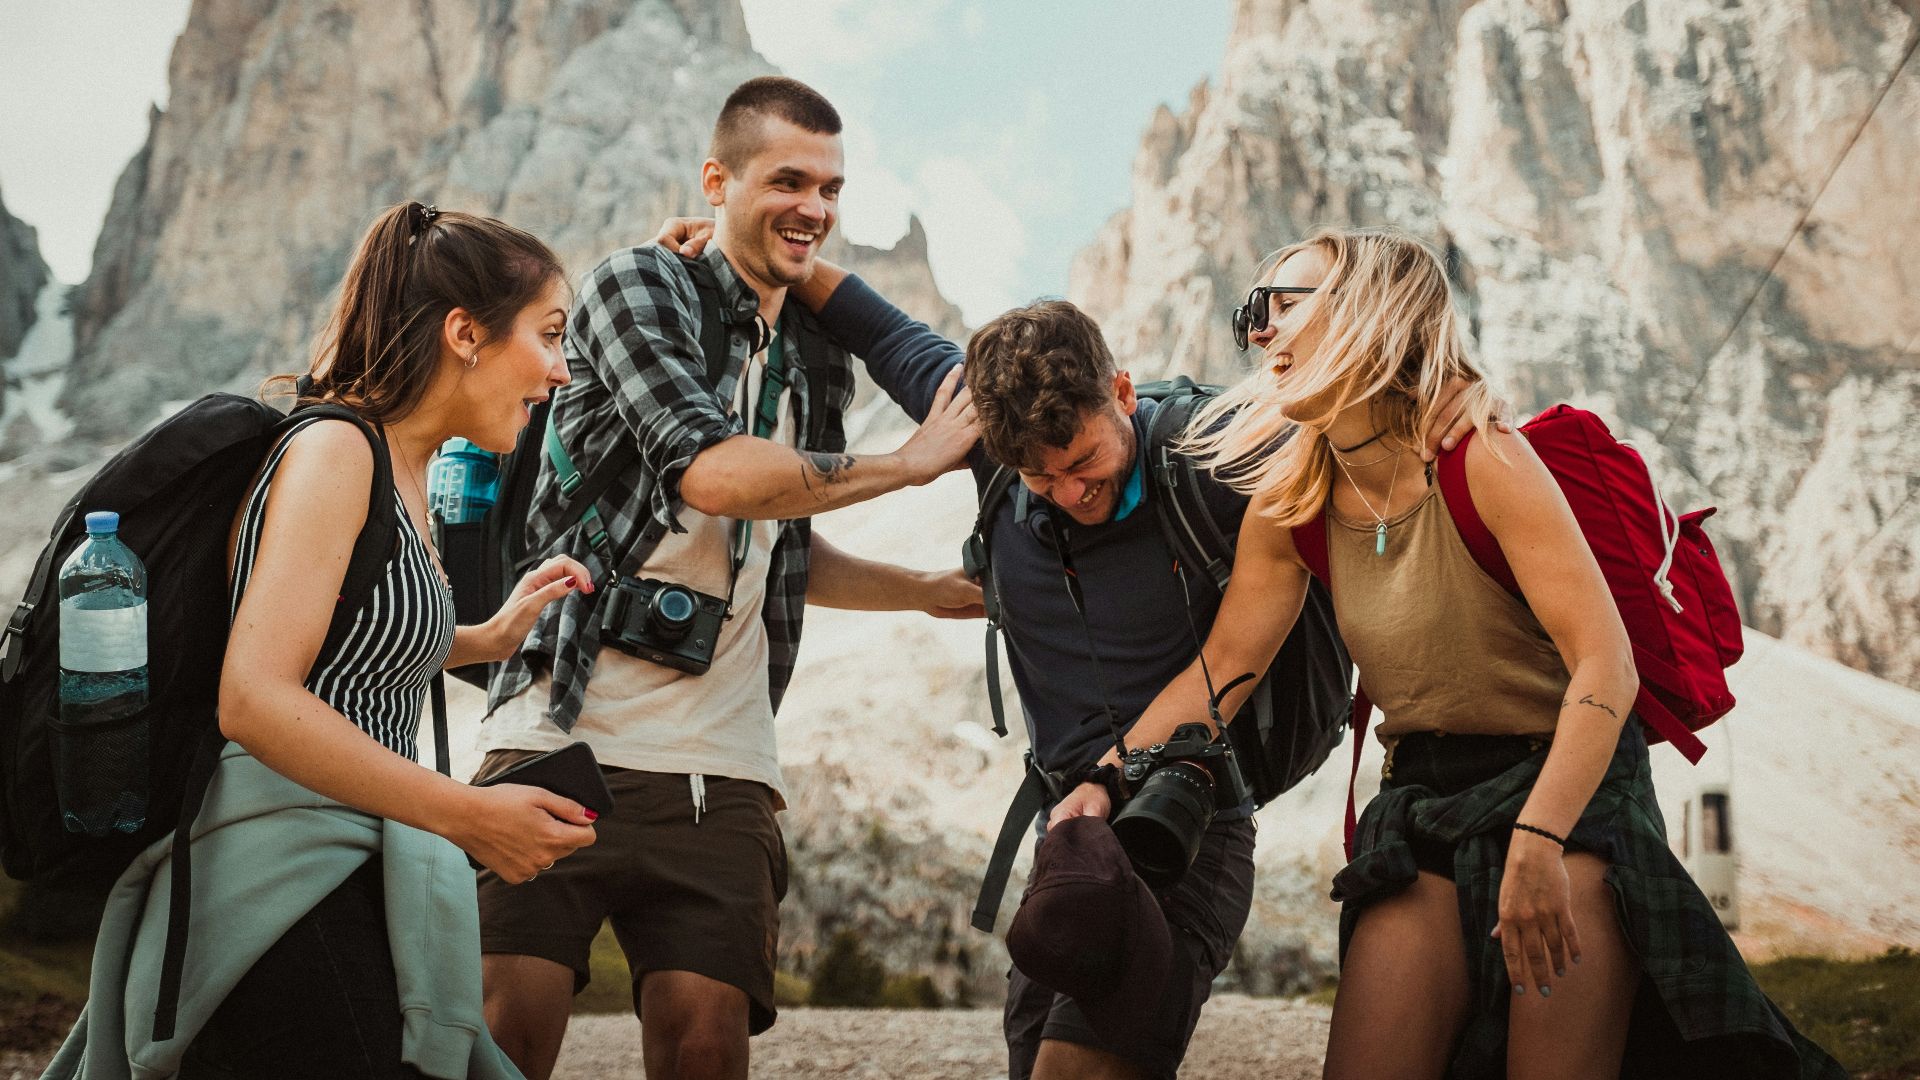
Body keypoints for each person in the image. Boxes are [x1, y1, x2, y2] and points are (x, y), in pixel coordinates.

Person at [652, 212, 1484, 1079]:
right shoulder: (993, 444)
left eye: (1084, 460)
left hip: (1185, 822)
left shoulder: (1212, 458)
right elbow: (876, 325)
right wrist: (741, 239)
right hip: (1073, 839)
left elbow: (1256, 620)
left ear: (1122, 392)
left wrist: (1107, 777)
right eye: (1039, 478)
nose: (1069, 492)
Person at [1133, 226, 1845, 1078]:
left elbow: (1605, 665)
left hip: (1567, 787)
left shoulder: (1484, 460)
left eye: (1285, 305)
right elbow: (1222, 672)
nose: (1259, 332)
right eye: (1256, 310)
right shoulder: (1293, 502)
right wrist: (1103, 782)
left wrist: (1542, 841)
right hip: (1425, 795)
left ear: (1370, 312)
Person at [475, 77, 982, 1080]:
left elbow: (781, 543)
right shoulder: (635, 287)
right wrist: (907, 465)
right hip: (561, 727)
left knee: (707, 1045)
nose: (816, 207)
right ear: (717, 179)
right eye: (788, 179)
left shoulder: (817, 355)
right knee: (503, 1036)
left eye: (832, 188)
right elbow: (711, 473)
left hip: (726, 762)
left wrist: (922, 590)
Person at [44, 201, 601, 1080]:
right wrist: (471, 818)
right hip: (280, 873)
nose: (562, 372)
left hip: (353, 855)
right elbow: (256, 695)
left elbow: (345, 637)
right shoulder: (339, 451)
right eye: (550, 335)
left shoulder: (405, 469)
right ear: (465, 333)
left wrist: (486, 635)